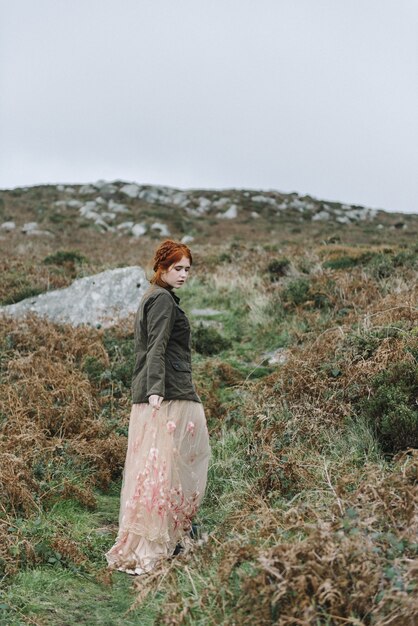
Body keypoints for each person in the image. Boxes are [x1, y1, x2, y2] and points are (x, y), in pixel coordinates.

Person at [105, 239, 211, 576]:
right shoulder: (162, 300)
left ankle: (169, 534)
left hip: (165, 389)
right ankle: (163, 539)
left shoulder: (154, 296)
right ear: (161, 268)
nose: (183, 275)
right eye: (177, 268)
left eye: (187, 269)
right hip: (169, 392)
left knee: (161, 465)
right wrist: (154, 391)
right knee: (178, 460)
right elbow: (157, 347)